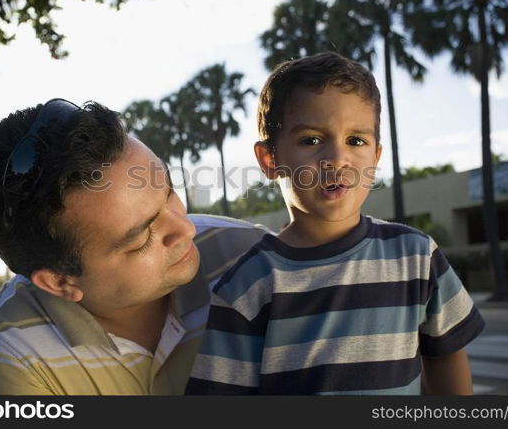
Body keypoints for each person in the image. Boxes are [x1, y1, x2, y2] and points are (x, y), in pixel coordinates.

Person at [185, 52, 485, 395]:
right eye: (311, 140)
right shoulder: (247, 286)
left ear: (375, 158)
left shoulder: (416, 256)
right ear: (270, 160)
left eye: (356, 140)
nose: (337, 158)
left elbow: (446, 359)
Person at [0, 99, 267, 394]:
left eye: (169, 192)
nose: (186, 228)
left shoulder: (254, 258)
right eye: (141, 239)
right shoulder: (13, 345)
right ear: (60, 281)